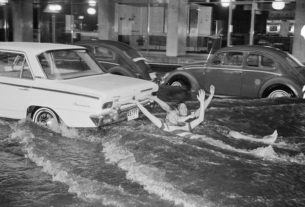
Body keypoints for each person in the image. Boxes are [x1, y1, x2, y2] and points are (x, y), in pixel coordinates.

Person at [133, 85, 215, 132]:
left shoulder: (191, 116)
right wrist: (155, 99)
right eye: (182, 107)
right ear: (177, 111)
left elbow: (202, 108)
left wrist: (211, 95)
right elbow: (166, 108)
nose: (185, 109)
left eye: (185, 107)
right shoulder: (175, 116)